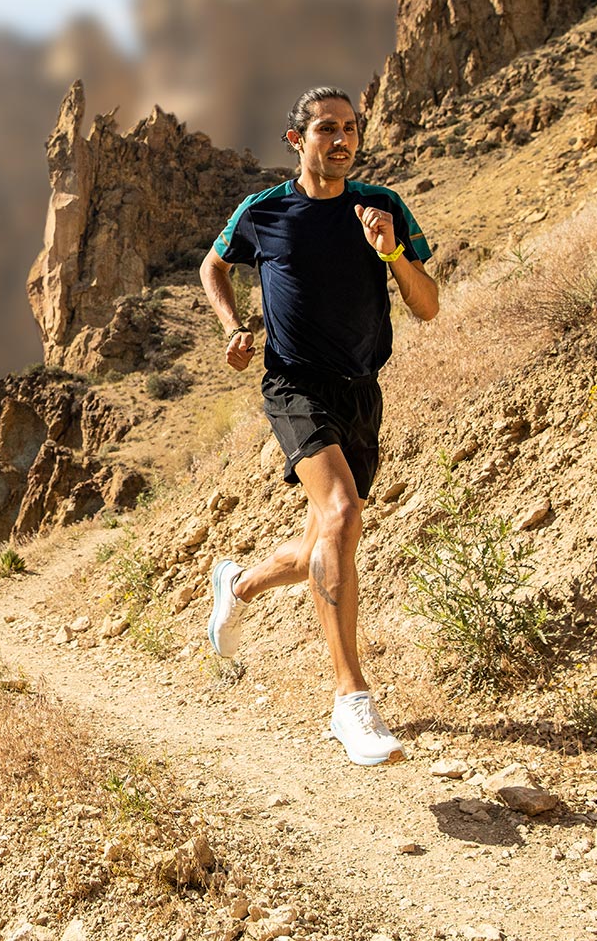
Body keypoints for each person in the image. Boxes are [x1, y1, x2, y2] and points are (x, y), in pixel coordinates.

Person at [198, 85, 440, 766]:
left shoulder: (382, 207)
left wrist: (392, 255)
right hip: (294, 385)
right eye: (327, 128)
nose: (342, 139)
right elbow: (213, 265)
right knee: (340, 513)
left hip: (362, 392)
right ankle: (350, 701)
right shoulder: (264, 212)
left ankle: (238, 585)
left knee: (322, 545)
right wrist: (234, 327)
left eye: (351, 129)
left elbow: (428, 307)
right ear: (295, 140)